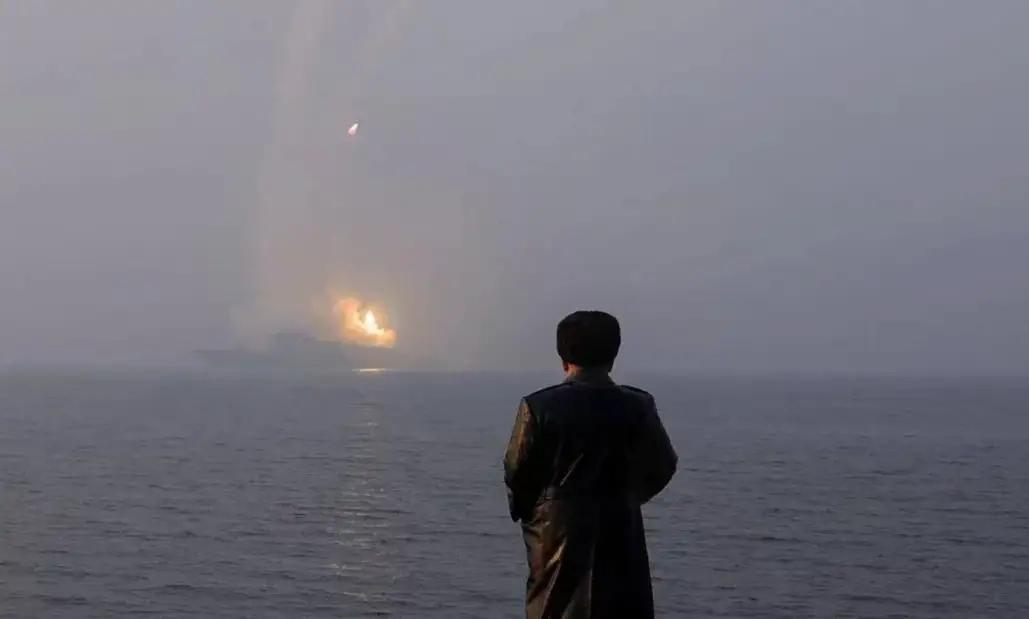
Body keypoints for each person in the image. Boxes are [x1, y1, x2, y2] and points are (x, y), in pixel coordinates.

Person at [503, 310, 678, 619]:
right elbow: (663, 465)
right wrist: (629, 497)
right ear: (613, 355)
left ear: (563, 356)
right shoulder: (639, 405)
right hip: (621, 527)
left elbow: (518, 472)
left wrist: (538, 512)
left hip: (555, 531)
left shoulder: (538, 407)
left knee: (555, 607)